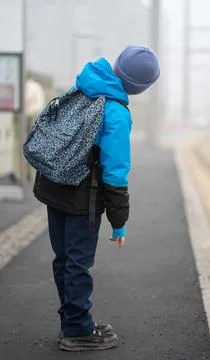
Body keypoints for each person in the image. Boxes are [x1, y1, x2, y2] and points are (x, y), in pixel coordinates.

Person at [33, 45, 160, 351]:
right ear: (140, 88)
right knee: (78, 264)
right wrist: (119, 223)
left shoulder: (86, 83)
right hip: (82, 199)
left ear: (116, 65)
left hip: (54, 185)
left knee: (64, 260)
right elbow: (115, 173)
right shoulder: (116, 111)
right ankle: (77, 330)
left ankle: (73, 320)